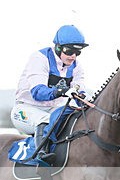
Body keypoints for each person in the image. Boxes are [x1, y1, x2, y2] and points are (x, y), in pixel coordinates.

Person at [10, 24, 88, 164]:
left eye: (78, 52)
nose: (73, 57)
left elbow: (80, 91)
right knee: (46, 120)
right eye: (70, 51)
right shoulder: (39, 59)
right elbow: (38, 92)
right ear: (58, 47)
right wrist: (62, 91)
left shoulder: (77, 66)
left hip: (53, 110)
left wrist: (86, 100)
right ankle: (41, 155)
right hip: (26, 109)